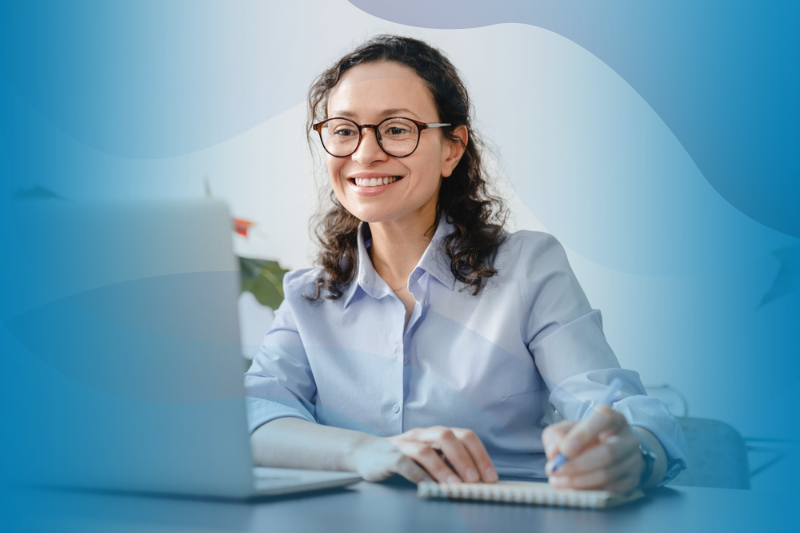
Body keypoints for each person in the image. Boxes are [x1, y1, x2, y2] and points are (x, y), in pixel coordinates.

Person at [246, 35, 687, 492]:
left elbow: (618, 409)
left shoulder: (527, 268)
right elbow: (250, 413)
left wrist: (633, 453)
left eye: (396, 128)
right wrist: (364, 451)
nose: (364, 153)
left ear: (453, 148)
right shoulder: (308, 296)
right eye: (343, 129)